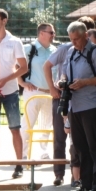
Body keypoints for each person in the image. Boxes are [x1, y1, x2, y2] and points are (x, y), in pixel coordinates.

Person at [58, 21, 96, 191]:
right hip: (74, 106)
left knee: (95, 146)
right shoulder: (70, 52)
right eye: (71, 39)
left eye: (76, 39)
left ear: (85, 36)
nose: (73, 42)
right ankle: (86, 184)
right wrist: (62, 81)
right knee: (80, 147)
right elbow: (64, 73)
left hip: (92, 105)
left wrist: (85, 82)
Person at [44, 16, 95, 188]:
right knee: (60, 137)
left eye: (81, 35)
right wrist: (52, 88)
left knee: (79, 140)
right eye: (74, 35)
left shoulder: (94, 51)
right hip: (62, 97)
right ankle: (59, 174)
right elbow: (47, 66)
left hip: (83, 100)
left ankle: (77, 176)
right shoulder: (65, 49)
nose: (77, 40)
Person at [0, 8, 27, 179]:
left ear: (4, 21)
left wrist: (6, 79)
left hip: (11, 91)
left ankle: (19, 165)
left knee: (15, 129)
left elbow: (24, 67)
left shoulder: (15, 41)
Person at [19, 23, 57, 167]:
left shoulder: (54, 50)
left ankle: (43, 153)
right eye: (51, 32)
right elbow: (16, 67)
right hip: (33, 92)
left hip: (50, 92)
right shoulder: (29, 49)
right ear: (41, 33)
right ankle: (23, 155)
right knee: (28, 123)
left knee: (47, 124)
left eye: (53, 32)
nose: (53, 35)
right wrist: (22, 83)